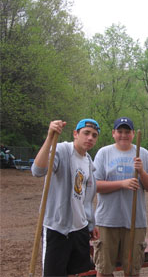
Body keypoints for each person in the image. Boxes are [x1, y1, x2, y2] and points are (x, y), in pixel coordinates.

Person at [31, 118, 101, 276]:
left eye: (94, 135)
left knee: (81, 273)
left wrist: (90, 223)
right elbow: (37, 170)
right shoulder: (61, 150)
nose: (90, 138)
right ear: (75, 134)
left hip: (80, 230)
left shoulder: (89, 162)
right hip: (58, 229)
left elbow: (86, 199)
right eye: (86, 133)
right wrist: (50, 138)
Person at [93, 117, 148, 277]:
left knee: (132, 270)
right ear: (113, 133)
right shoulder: (104, 153)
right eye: (120, 131)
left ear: (133, 134)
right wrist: (122, 184)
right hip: (107, 221)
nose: (123, 135)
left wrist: (142, 171)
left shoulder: (143, 153)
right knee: (104, 270)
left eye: (127, 131)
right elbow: (94, 186)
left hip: (135, 222)